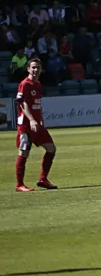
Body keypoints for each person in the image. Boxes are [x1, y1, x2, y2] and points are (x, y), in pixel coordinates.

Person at [14, 58, 58, 191]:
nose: (35, 70)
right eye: (33, 67)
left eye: (38, 67)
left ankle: (43, 179)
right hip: (27, 126)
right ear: (28, 69)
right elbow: (23, 103)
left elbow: (37, 104)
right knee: (24, 153)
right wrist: (32, 120)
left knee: (51, 149)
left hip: (37, 125)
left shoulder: (38, 84)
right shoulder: (24, 84)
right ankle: (19, 185)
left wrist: (41, 120)